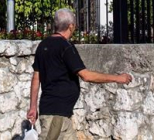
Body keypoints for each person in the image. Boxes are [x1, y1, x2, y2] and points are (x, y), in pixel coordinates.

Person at [26, 8, 133, 139]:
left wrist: (33, 106)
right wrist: (117, 78)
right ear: (71, 26)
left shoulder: (43, 45)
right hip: (56, 115)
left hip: (60, 114)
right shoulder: (65, 47)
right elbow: (86, 75)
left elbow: (36, 78)